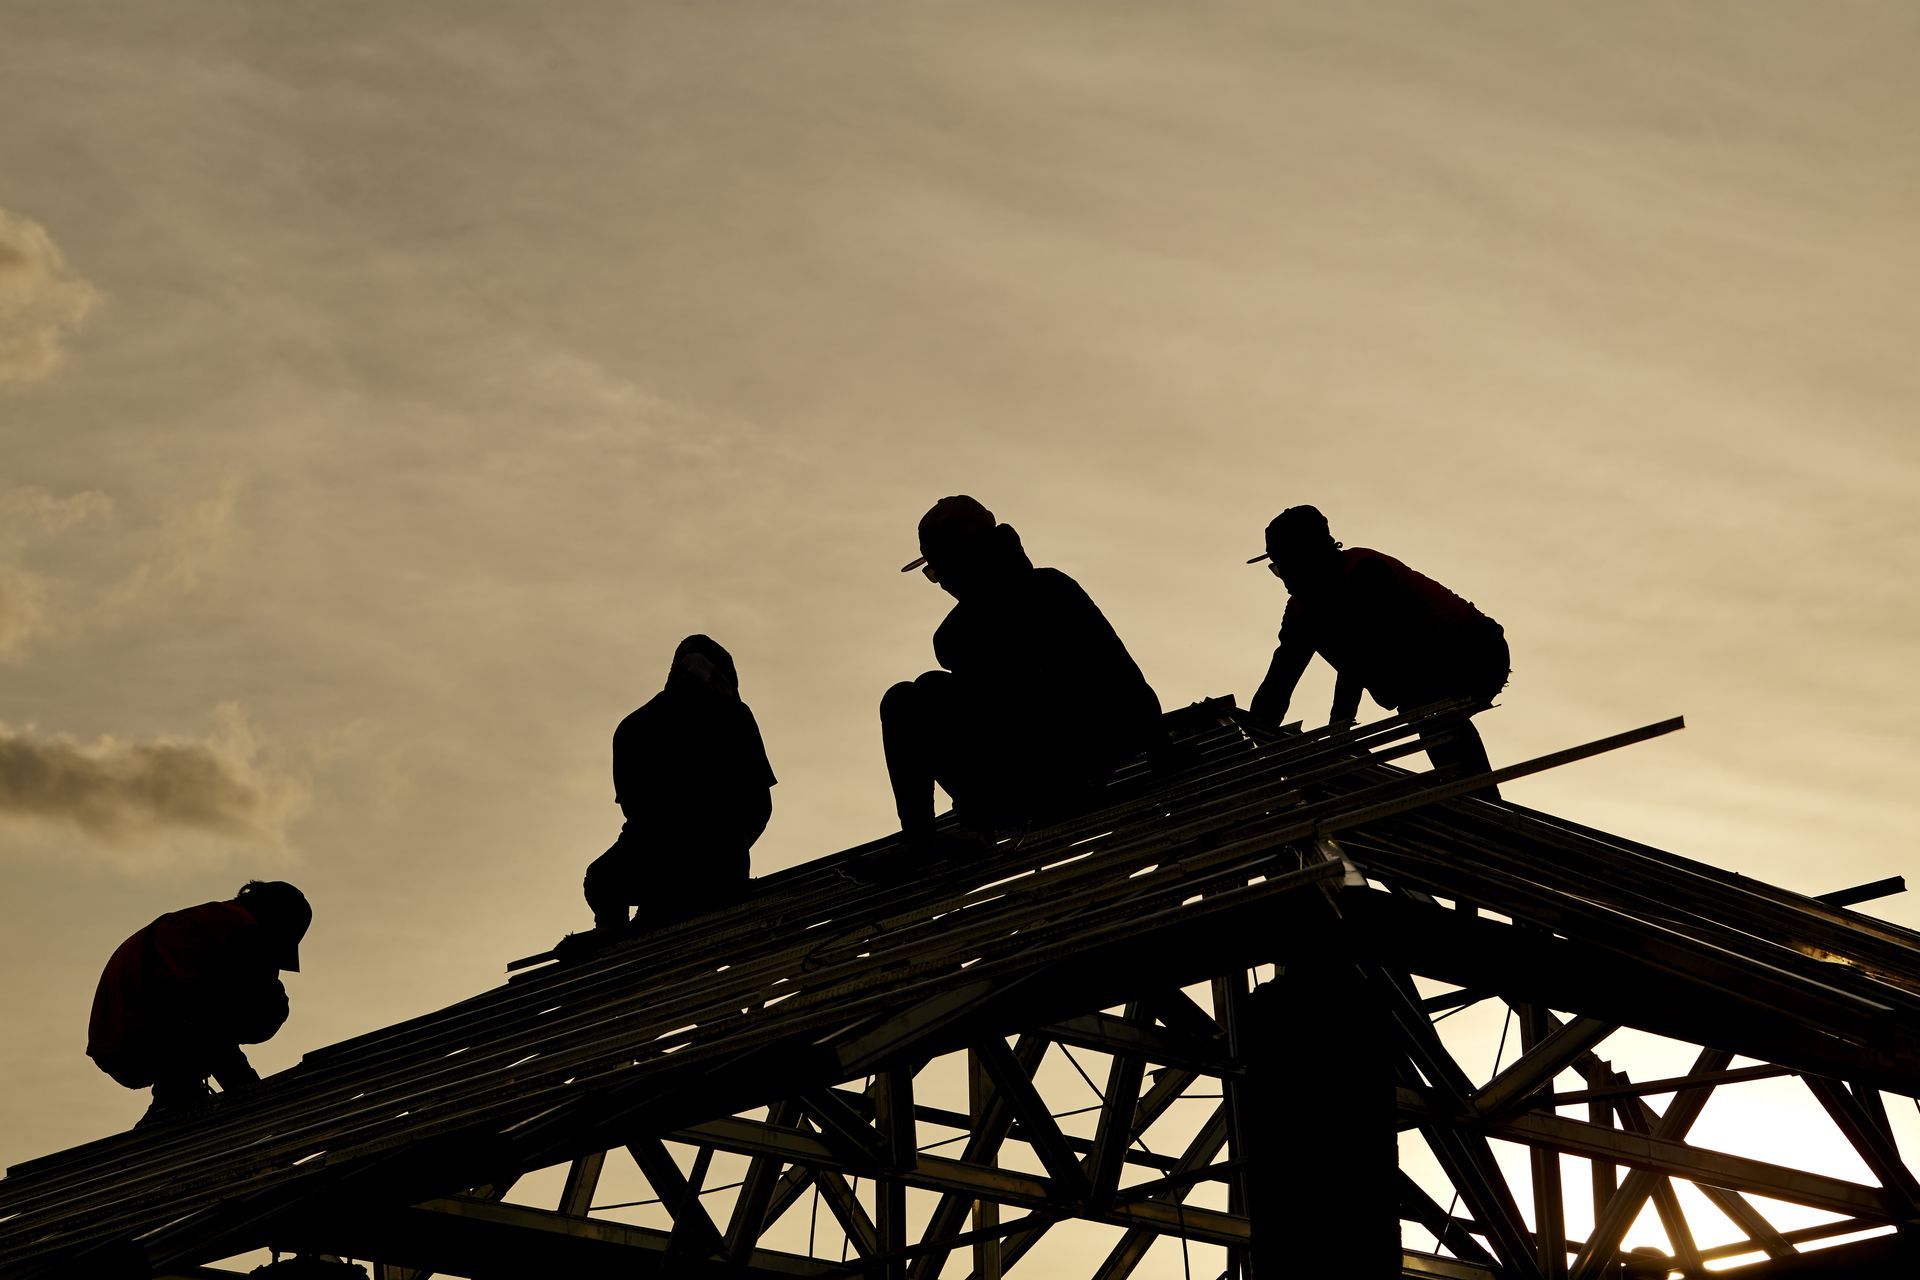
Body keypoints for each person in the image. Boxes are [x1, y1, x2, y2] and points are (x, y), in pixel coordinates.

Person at [882, 495, 1164, 842]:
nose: (940, 582)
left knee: (912, 697)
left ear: (967, 556)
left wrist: (1161, 751)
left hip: (1065, 773)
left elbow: (1120, 677)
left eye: (938, 568)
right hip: (1027, 777)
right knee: (915, 695)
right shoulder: (963, 630)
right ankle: (933, 840)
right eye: (932, 572)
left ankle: (939, 839)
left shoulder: (1046, 595)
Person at [1248, 505, 1509, 795]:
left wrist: (1339, 728)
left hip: (1473, 651)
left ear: (1309, 557)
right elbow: (1281, 675)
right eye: (1276, 568)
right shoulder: (1302, 608)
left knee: (1430, 711)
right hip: (1422, 672)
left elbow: (1362, 652)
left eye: (1285, 566)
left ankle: (1482, 797)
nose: (1283, 578)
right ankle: (1469, 787)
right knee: (1423, 707)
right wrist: (1256, 734)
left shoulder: (1365, 571)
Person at [581, 634, 775, 934]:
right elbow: (759, 806)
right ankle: (616, 938)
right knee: (602, 879)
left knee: (603, 879)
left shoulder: (731, 717)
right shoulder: (637, 728)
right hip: (671, 856)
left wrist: (724, 856)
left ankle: (626, 929)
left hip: (712, 855)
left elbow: (757, 805)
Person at [87, 880, 311, 1125]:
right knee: (273, 1002)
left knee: (219, 1012)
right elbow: (207, 1021)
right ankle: (178, 1090)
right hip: (154, 1029)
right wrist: (249, 1093)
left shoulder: (209, 920)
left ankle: (175, 1093)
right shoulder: (245, 931)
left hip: (117, 1040)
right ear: (277, 921)